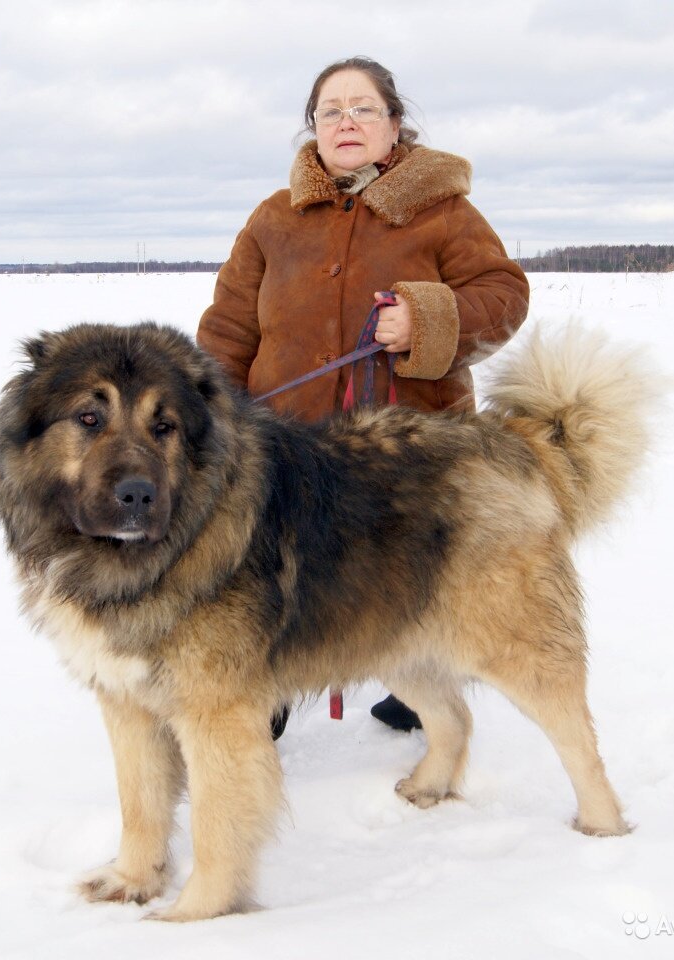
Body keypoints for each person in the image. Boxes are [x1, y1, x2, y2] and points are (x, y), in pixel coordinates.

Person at [197, 56, 529, 737]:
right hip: (286, 442)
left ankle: (421, 687)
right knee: (276, 578)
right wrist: (210, 414)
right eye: (330, 111)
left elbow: (504, 295)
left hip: (410, 448)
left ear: (393, 123)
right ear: (311, 129)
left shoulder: (444, 211)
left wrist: (425, 319)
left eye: (362, 109)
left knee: (410, 575)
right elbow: (229, 325)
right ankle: (265, 697)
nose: (345, 121)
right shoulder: (272, 218)